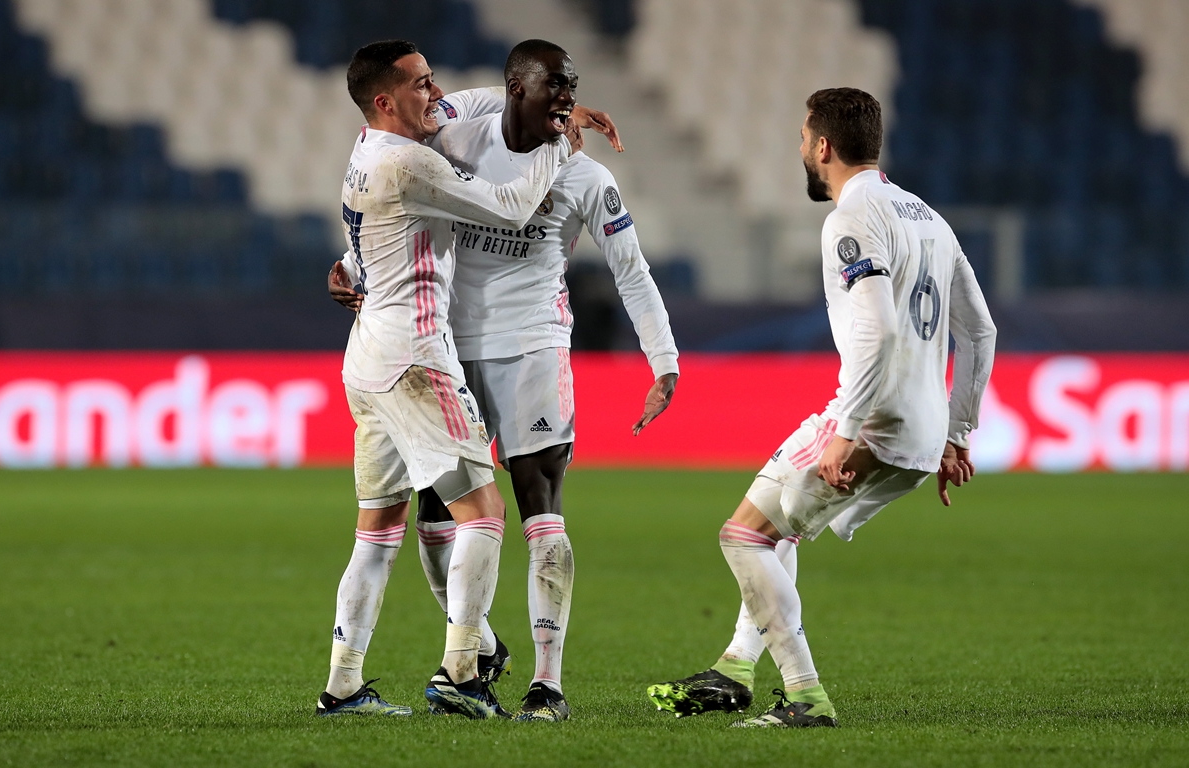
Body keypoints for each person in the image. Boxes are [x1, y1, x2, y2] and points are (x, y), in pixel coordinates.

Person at [331, 39, 680, 722]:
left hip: (528, 348)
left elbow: (631, 271)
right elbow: (464, 203)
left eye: (571, 90)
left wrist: (663, 360)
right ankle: (471, 657)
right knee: (452, 517)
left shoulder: (584, 178)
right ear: (517, 87)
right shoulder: (443, 142)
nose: (566, 101)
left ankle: (541, 683)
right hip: (437, 350)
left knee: (528, 506)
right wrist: (352, 264)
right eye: (553, 88)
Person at [646, 87, 997, 728]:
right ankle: (734, 668)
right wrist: (956, 431)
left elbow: (878, 332)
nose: (801, 149)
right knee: (779, 524)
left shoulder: (851, 220)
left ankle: (806, 696)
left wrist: (845, 428)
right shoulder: (929, 218)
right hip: (920, 434)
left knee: (742, 536)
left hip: (875, 423)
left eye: (804, 139)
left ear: (824, 146)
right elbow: (980, 332)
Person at [315, 39, 572, 721]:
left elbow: (469, 103)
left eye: (432, 81)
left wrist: (535, 104)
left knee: (377, 532)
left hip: (369, 356)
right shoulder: (410, 164)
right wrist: (556, 141)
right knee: (483, 516)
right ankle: (462, 672)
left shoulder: (368, 150)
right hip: (416, 361)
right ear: (384, 102)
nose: (436, 95)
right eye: (421, 87)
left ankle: (342, 686)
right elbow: (515, 206)